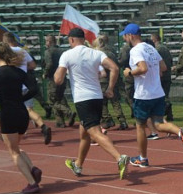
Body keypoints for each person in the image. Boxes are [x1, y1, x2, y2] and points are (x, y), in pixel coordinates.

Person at [54, 27, 131, 180]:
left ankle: (119, 157)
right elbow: (113, 68)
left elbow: (58, 79)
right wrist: (110, 88)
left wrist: (60, 70)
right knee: (84, 134)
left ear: (71, 40)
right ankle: (78, 164)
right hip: (97, 97)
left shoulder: (67, 55)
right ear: (84, 39)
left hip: (83, 99)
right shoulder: (96, 53)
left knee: (95, 133)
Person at [120, 23, 183, 167]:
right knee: (158, 124)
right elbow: (164, 68)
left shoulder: (136, 50)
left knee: (140, 126)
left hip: (144, 95)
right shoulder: (151, 48)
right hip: (157, 93)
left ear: (131, 35)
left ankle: (143, 158)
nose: (124, 38)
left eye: (125, 35)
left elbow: (143, 68)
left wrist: (129, 72)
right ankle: (180, 132)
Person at [0, 42, 43, 194]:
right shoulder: (19, 72)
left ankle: (31, 183)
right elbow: (34, 89)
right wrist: (22, 99)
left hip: (8, 114)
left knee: (13, 151)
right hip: (22, 113)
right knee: (15, 146)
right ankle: (32, 168)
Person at [5, 32, 52, 143]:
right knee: (28, 110)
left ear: (6, 41)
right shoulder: (23, 51)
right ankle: (43, 126)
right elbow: (33, 65)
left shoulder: (7, 52)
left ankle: (11, 133)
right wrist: (22, 66)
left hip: (12, 84)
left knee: (10, 109)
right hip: (24, 83)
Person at [96, 32, 128, 131]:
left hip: (103, 80)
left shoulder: (99, 53)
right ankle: (122, 120)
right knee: (115, 101)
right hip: (113, 79)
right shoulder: (112, 52)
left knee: (102, 102)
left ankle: (107, 119)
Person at [43, 34, 72, 127]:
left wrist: (45, 73)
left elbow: (49, 64)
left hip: (53, 78)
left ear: (50, 42)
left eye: (47, 41)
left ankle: (68, 112)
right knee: (59, 98)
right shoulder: (62, 51)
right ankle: (60, 121)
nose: (46, 43)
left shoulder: (48, 52)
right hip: (62, 77)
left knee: (52, 101)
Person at [150, 33, 175, 123]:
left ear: (154, 40)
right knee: (166, 94)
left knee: (161, 96)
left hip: (160, 74)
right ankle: (170, 114)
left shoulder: (156, 50)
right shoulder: (165, 48)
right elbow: (171, 61)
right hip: (167, 74)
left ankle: (162, 112)